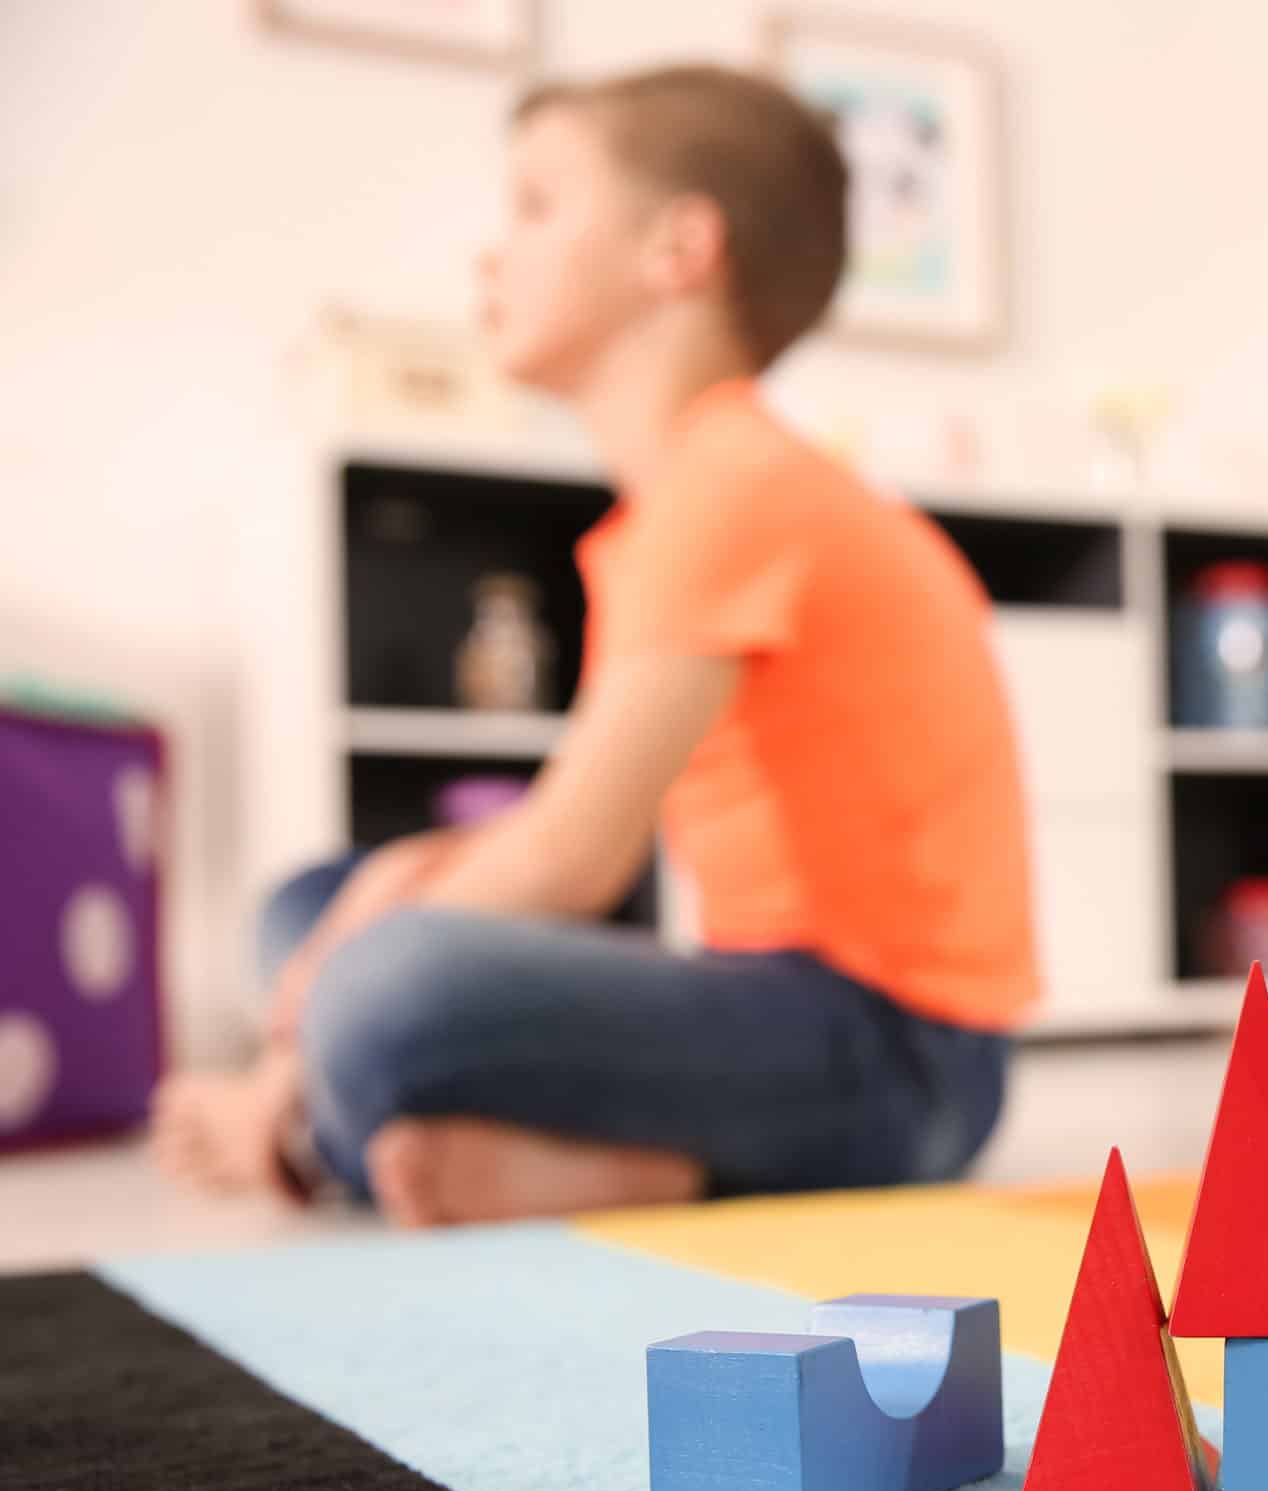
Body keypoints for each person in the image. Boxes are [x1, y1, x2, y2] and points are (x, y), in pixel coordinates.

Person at [150, 66, 1039, 1224]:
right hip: (786, 1015)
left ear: (678, 251)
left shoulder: (731, 484)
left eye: (534, 206)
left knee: (377, 987)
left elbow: (577, 857)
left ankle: (337, 1130)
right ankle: (597, 1169)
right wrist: (382, 887)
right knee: (305, 912)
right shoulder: (680, 501)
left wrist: (281, 1070)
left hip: (907, 1066)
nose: (490, 254)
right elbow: (557, 837)